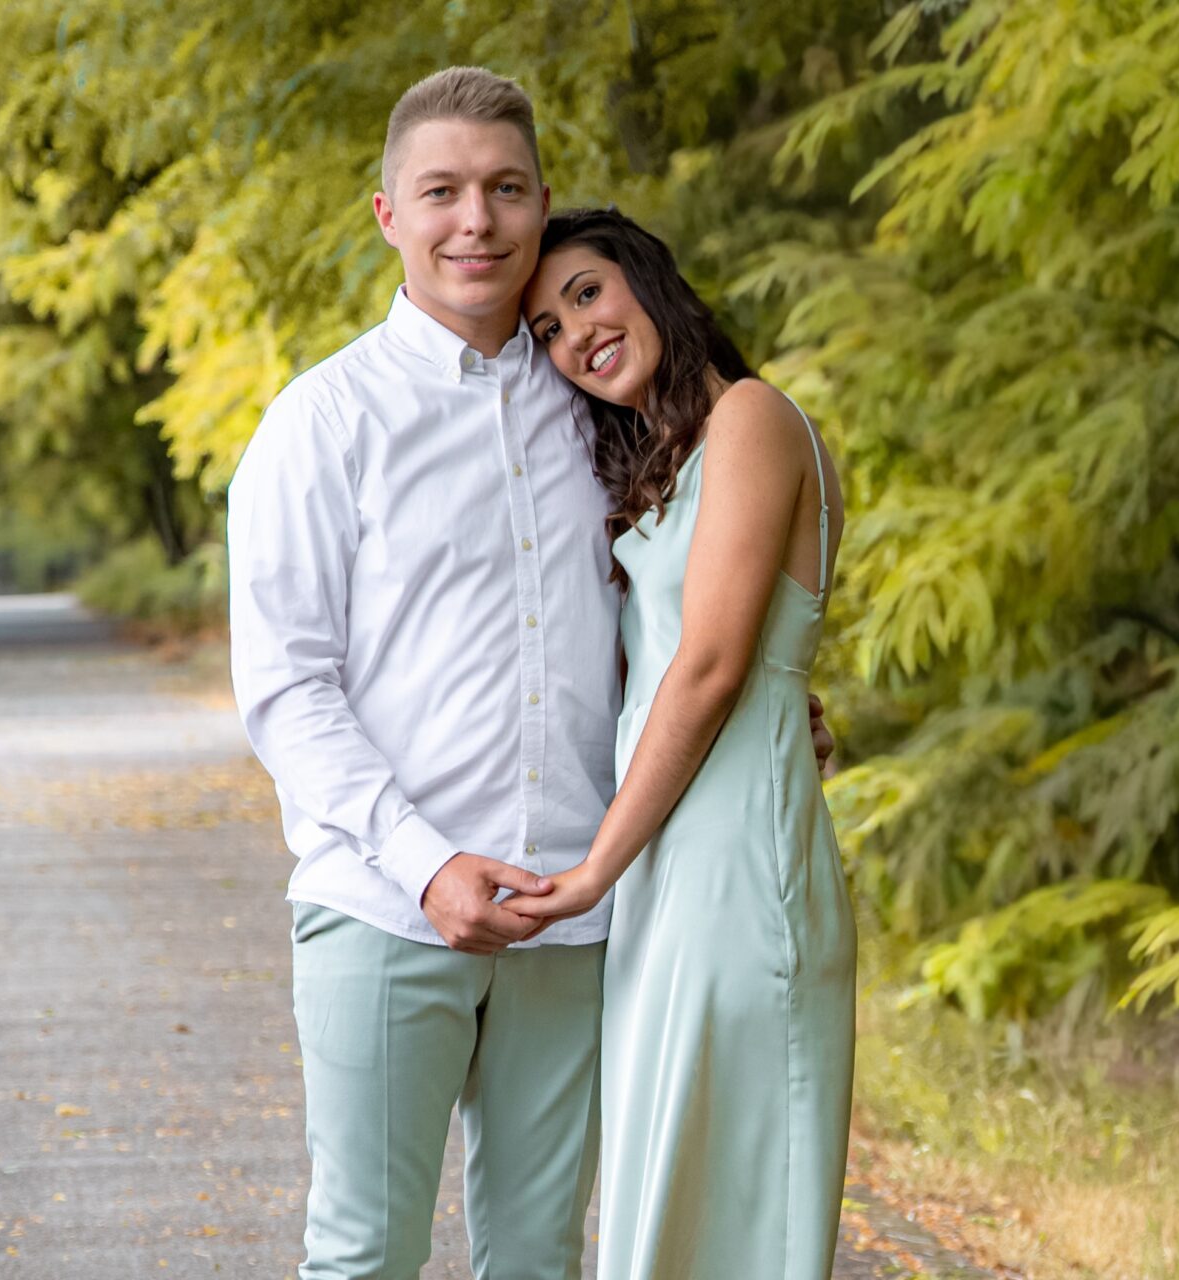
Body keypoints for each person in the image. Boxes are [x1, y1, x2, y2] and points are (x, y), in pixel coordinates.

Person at [225, 69, 828, 1279]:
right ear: (389, 214)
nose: (476, 220)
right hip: (385, 904)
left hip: (574, 914)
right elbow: (286, 688)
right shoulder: (323, 421)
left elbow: (672, 616)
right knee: (362, 1255)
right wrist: (424, 861)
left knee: (540, 1258)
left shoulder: (603, 408)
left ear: (542, 203)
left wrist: (769, 701)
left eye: (505, 189)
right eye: (441, 191)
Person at [513, 208, 857, 1279]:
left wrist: (589, 876)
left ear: (649, 280)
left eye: (586, 293)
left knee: (730, 1212)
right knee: (664, 1200)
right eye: (547, 328)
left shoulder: (751, 415)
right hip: (668, 865)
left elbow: (707, 667)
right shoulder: (667, 464)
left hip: (734, 869)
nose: (575, 334)